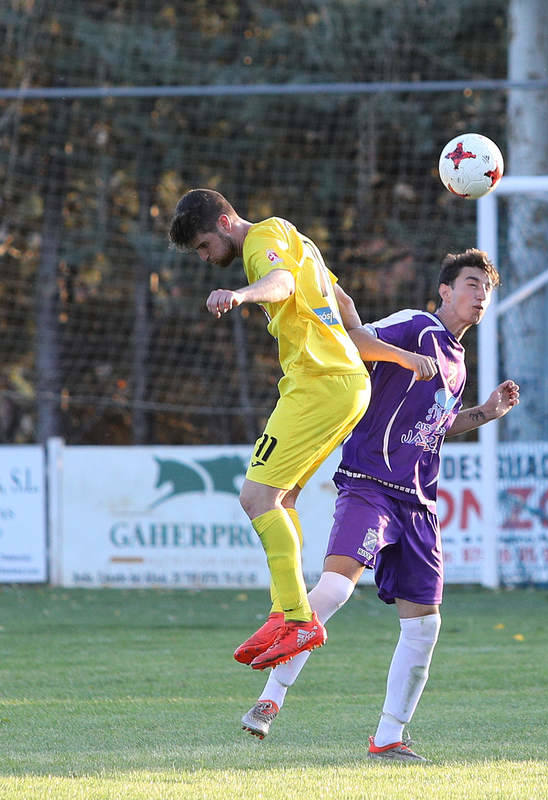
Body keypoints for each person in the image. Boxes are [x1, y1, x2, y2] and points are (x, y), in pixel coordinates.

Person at [239, 248, 520, 761]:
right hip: (369, 483)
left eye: (487, 289)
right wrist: (403, 358)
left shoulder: (457, 361)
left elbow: (437, 424)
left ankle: (389, 736)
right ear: (445, 291)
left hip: (417, 503)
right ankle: (269, 700)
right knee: (335, 591)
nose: (480, 296)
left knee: (425, 625)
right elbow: (352, 341)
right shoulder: (414, 326)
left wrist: (484, 412)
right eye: (472, 284)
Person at [168, 189, 437, 670]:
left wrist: (242, 294)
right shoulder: (296, 236)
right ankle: (284, 613)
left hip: (316, 384)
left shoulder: (261, 241)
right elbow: (345, 303)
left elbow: (281, 284)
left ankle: (297, 617)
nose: (207, 258)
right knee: (282, 498)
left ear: (226, 222)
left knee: (255, 499)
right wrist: (390, 355)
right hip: (347, 384)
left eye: (205, 246)